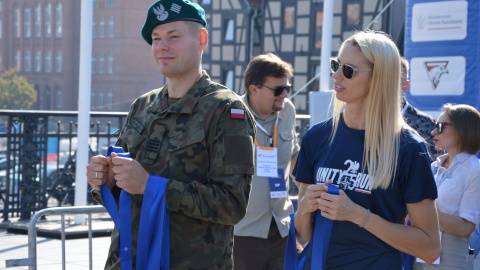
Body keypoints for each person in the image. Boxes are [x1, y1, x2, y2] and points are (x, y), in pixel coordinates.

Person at [85, 0, 256, 269]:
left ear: (201, 39)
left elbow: (232, 203)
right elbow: (126, 192)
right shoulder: (142, 106)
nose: (162, 46)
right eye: (156, 39)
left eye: (173, 37)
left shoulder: (226, 110)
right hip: (129, 259)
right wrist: (106, 180)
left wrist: (151, 186)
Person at [292, 31, 441, 269]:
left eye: (348, 69)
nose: (336, 75)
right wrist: (305, 209)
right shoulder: (316, 137)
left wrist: (358, 215)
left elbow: (430, 248)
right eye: (335, 65)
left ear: (379, 77)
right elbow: (303, 233)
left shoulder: (409, 148)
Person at [233, 53, 300, 270]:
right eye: (278, 89)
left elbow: (293, 157)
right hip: (244, 233)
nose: (284, 95)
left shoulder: (287, 111)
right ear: (254, 89)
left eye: (286, 88)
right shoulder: (230, 115)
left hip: (282, 227)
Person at [414, 103, 480, 270]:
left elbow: (466, 227)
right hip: (419, 254)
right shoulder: (434, 167)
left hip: (451, 260)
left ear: (462, 129)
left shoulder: (475, 169)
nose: (433, 131)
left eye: (440, 126)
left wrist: (418, 210)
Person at [400, 56, 442, 162]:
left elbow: (438, 169)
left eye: (394, 81)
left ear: (405, 86)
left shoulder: (429, 126)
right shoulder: (364, 120)